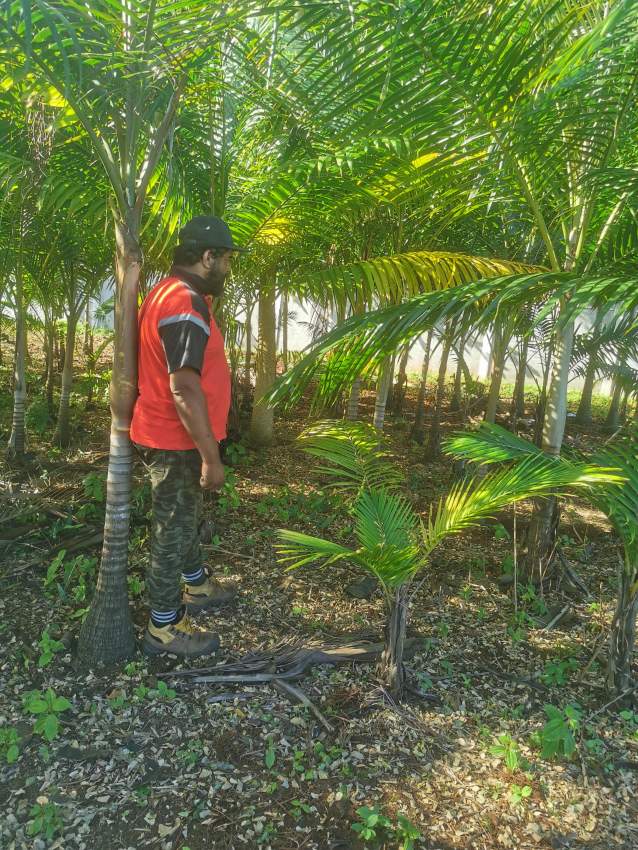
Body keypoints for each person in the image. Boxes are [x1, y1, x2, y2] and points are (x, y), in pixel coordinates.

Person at [130, 215, 246, 657]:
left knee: (184, 517)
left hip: (174, 435)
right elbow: (183, 386)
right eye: (227, 260)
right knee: (171, 530)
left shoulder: (171, 292)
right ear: (208, 257)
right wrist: (210, 456)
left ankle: (195, 586)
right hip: (173, 439)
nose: (228, 270)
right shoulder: (183, 304)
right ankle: (162, 626)